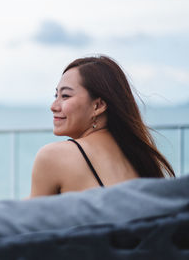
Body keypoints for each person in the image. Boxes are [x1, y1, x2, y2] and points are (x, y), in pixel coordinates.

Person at [29, 55, 175, 198]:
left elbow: (32, 219)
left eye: (65, 96)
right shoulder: (139, 156)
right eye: (56, 96)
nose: (53, 106)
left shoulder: (53, 156)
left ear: (98, 106)